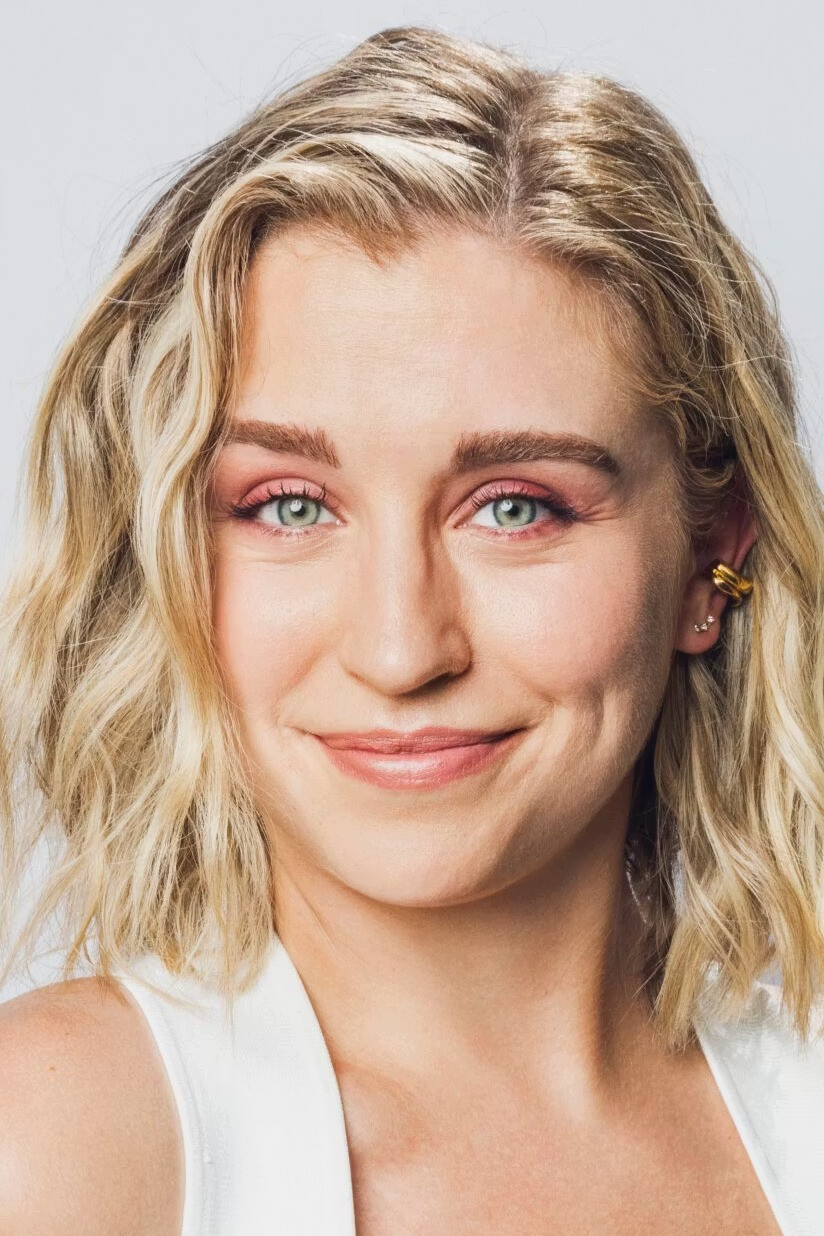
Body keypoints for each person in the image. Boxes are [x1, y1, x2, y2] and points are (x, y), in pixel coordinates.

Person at [0, 22, 822, 1236]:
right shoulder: (53, 1150)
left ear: (713, 556)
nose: (399, 650)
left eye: (514, 507)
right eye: (288, 505)